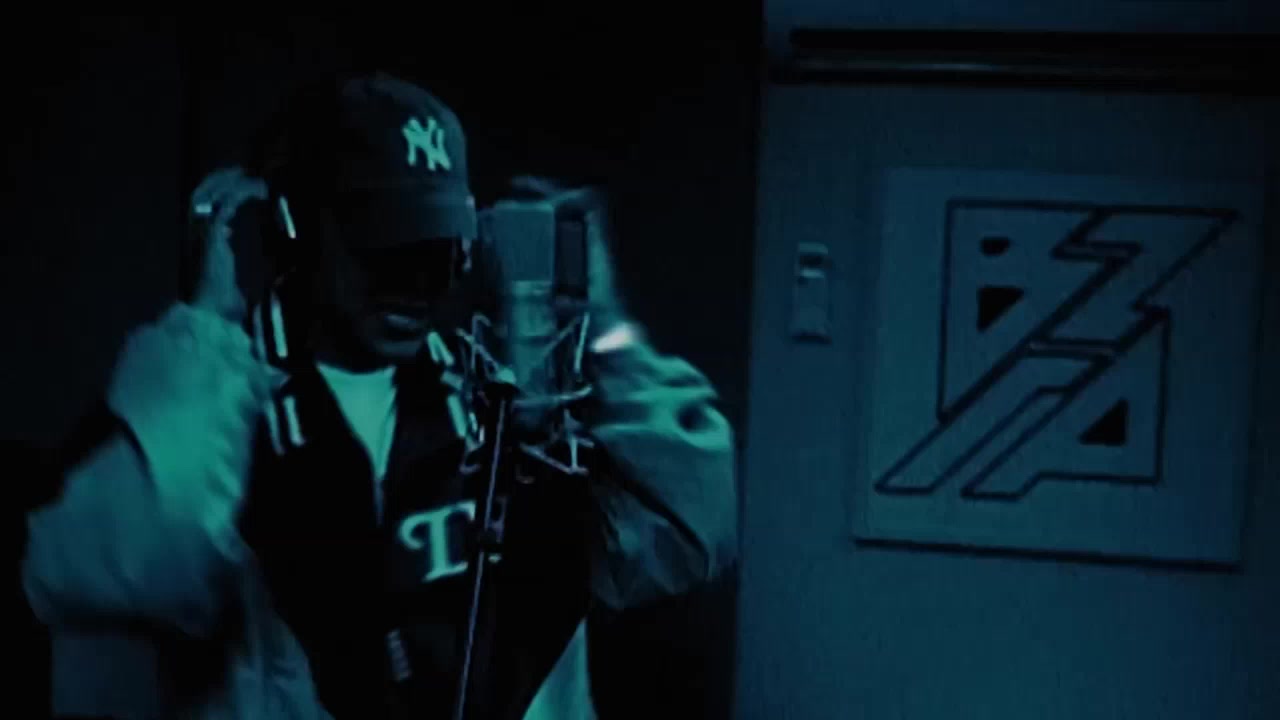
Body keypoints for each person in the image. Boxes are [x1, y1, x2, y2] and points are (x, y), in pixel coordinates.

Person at [21, 72, 737, 719]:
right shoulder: (221, 418)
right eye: (385, 250)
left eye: (435, 249)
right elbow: (119, 566)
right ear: (299, 229)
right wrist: (209, 325)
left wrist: (608, 328)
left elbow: (692, 527)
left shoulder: (500, 412)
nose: (414, 286)